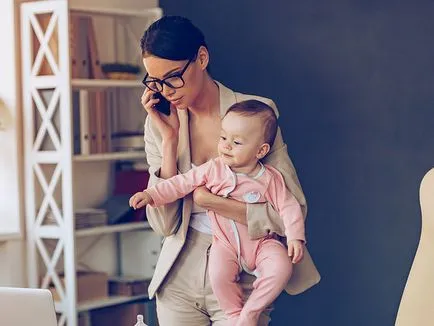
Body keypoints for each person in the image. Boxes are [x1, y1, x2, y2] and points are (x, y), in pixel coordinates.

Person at [139, 15, 320, 326]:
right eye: (155, 82)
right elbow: (165, 225)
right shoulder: (159, 126)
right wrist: (169, 143)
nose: (165, 91)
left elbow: (290, 211)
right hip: (179, 276)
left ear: (202, 58)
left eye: (172, 78)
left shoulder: (257, 113)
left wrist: (214, 203)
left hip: (244, 275)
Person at [130, 100, 306, 325]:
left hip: (262, 243)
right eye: (223, 138)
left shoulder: (270, 178)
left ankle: (250, 312)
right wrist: (152, 194)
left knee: (281, 267)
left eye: (237, 142)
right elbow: (181, 183)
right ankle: (234, 315)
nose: (226, 146)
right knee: (219, 276)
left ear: (261, 151)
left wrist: (295, 238)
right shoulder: (214, 168)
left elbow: (289, 206)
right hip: (224, 244)